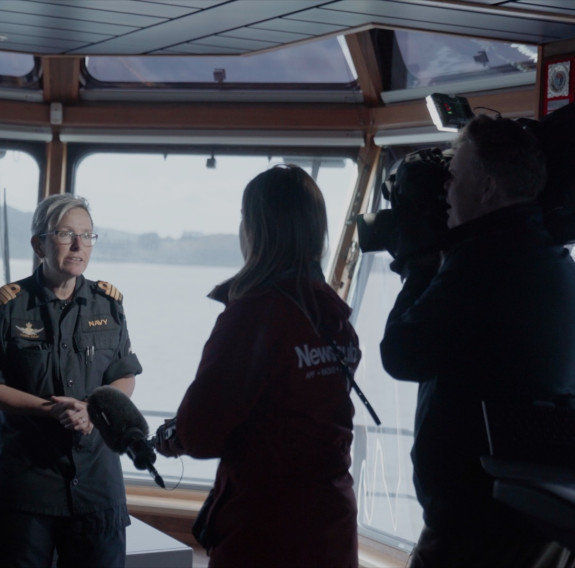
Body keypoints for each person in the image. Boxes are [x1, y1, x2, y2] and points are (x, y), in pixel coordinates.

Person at [380, 115, 575, 567]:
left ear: (486, 188)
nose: (445, 190)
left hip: (474, 529)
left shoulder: (483, 265)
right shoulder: (554, 261)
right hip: (533, 523)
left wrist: (419, 264)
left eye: (455, 176)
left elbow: (401, 354)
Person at [156, 164, 361, 567]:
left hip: (268, 532)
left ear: (255, 229)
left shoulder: (252, 316)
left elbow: (199, 433)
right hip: (332, 524)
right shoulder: (334, 316)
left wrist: (172, 436)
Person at [0, 194, 143, 568]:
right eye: (66, 234)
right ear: (39, 243)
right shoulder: (9, 307)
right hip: (28, 487)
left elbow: (125, 374)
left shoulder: (108, 304)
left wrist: (93, 410)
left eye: (87, 235)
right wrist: (52, 410)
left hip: (98, 484)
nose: (79, 246)